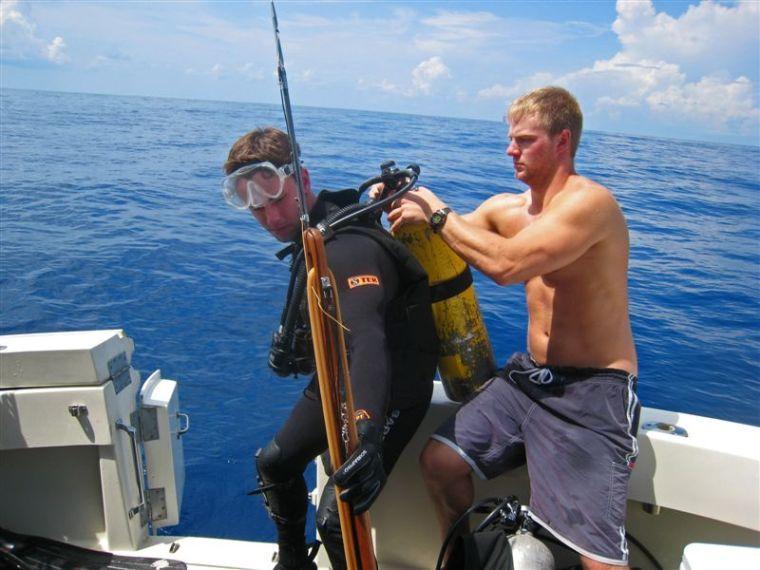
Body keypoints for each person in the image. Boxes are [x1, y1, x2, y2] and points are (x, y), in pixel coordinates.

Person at [388, 86, 640, 570]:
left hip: (593, 391)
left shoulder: (592, 205)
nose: (510, 150)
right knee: (440, 464)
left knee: (599, 560)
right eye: (511, 139)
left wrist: (434, 211)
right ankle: (462, 562)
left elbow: (505, 265)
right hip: (528, 379)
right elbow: (452, 233)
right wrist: (399, 204)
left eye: (524, 140)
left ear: (562, 141)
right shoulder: (507, 208)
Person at [221, 127, 439, 570]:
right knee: (274, 464)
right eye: (256, 209)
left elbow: (369, 338)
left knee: (336, 519)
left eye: (277, 201)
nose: (270, 218)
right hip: (339, 376)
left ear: (301, 178)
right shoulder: (313, 234)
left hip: (392, 388)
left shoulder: (347, 248)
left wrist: (368, 432)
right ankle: (292, 564)